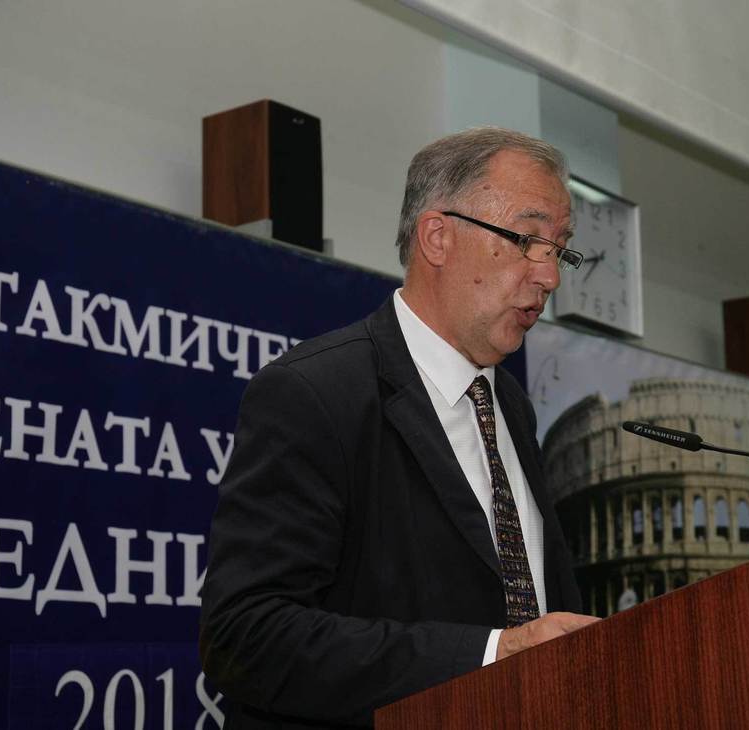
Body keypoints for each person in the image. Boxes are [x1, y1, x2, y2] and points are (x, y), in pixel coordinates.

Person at [200, 127, 599, 729]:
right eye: (528, 240)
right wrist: (491, 656)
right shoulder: (315, 392)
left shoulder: (511, 406)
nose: (550, 278)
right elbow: (247, 636)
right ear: (438, 237)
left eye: (559, 250)